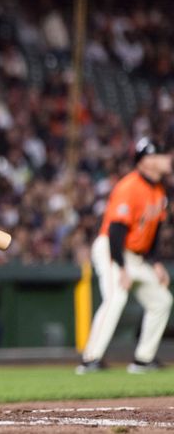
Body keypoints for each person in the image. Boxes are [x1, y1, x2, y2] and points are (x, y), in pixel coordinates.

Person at [76, 138, 173, 374]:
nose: (168, 159)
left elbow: (154, 233)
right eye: (162, 155)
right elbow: (116, 230)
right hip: (112, 249)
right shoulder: (129, 186)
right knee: (115, 298)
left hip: (137, 256)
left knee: (162, 300)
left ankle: (143, 360)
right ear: (147, 161)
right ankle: (90, 359)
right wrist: (121, 267)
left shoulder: (160, 191)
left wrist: (156, 263)